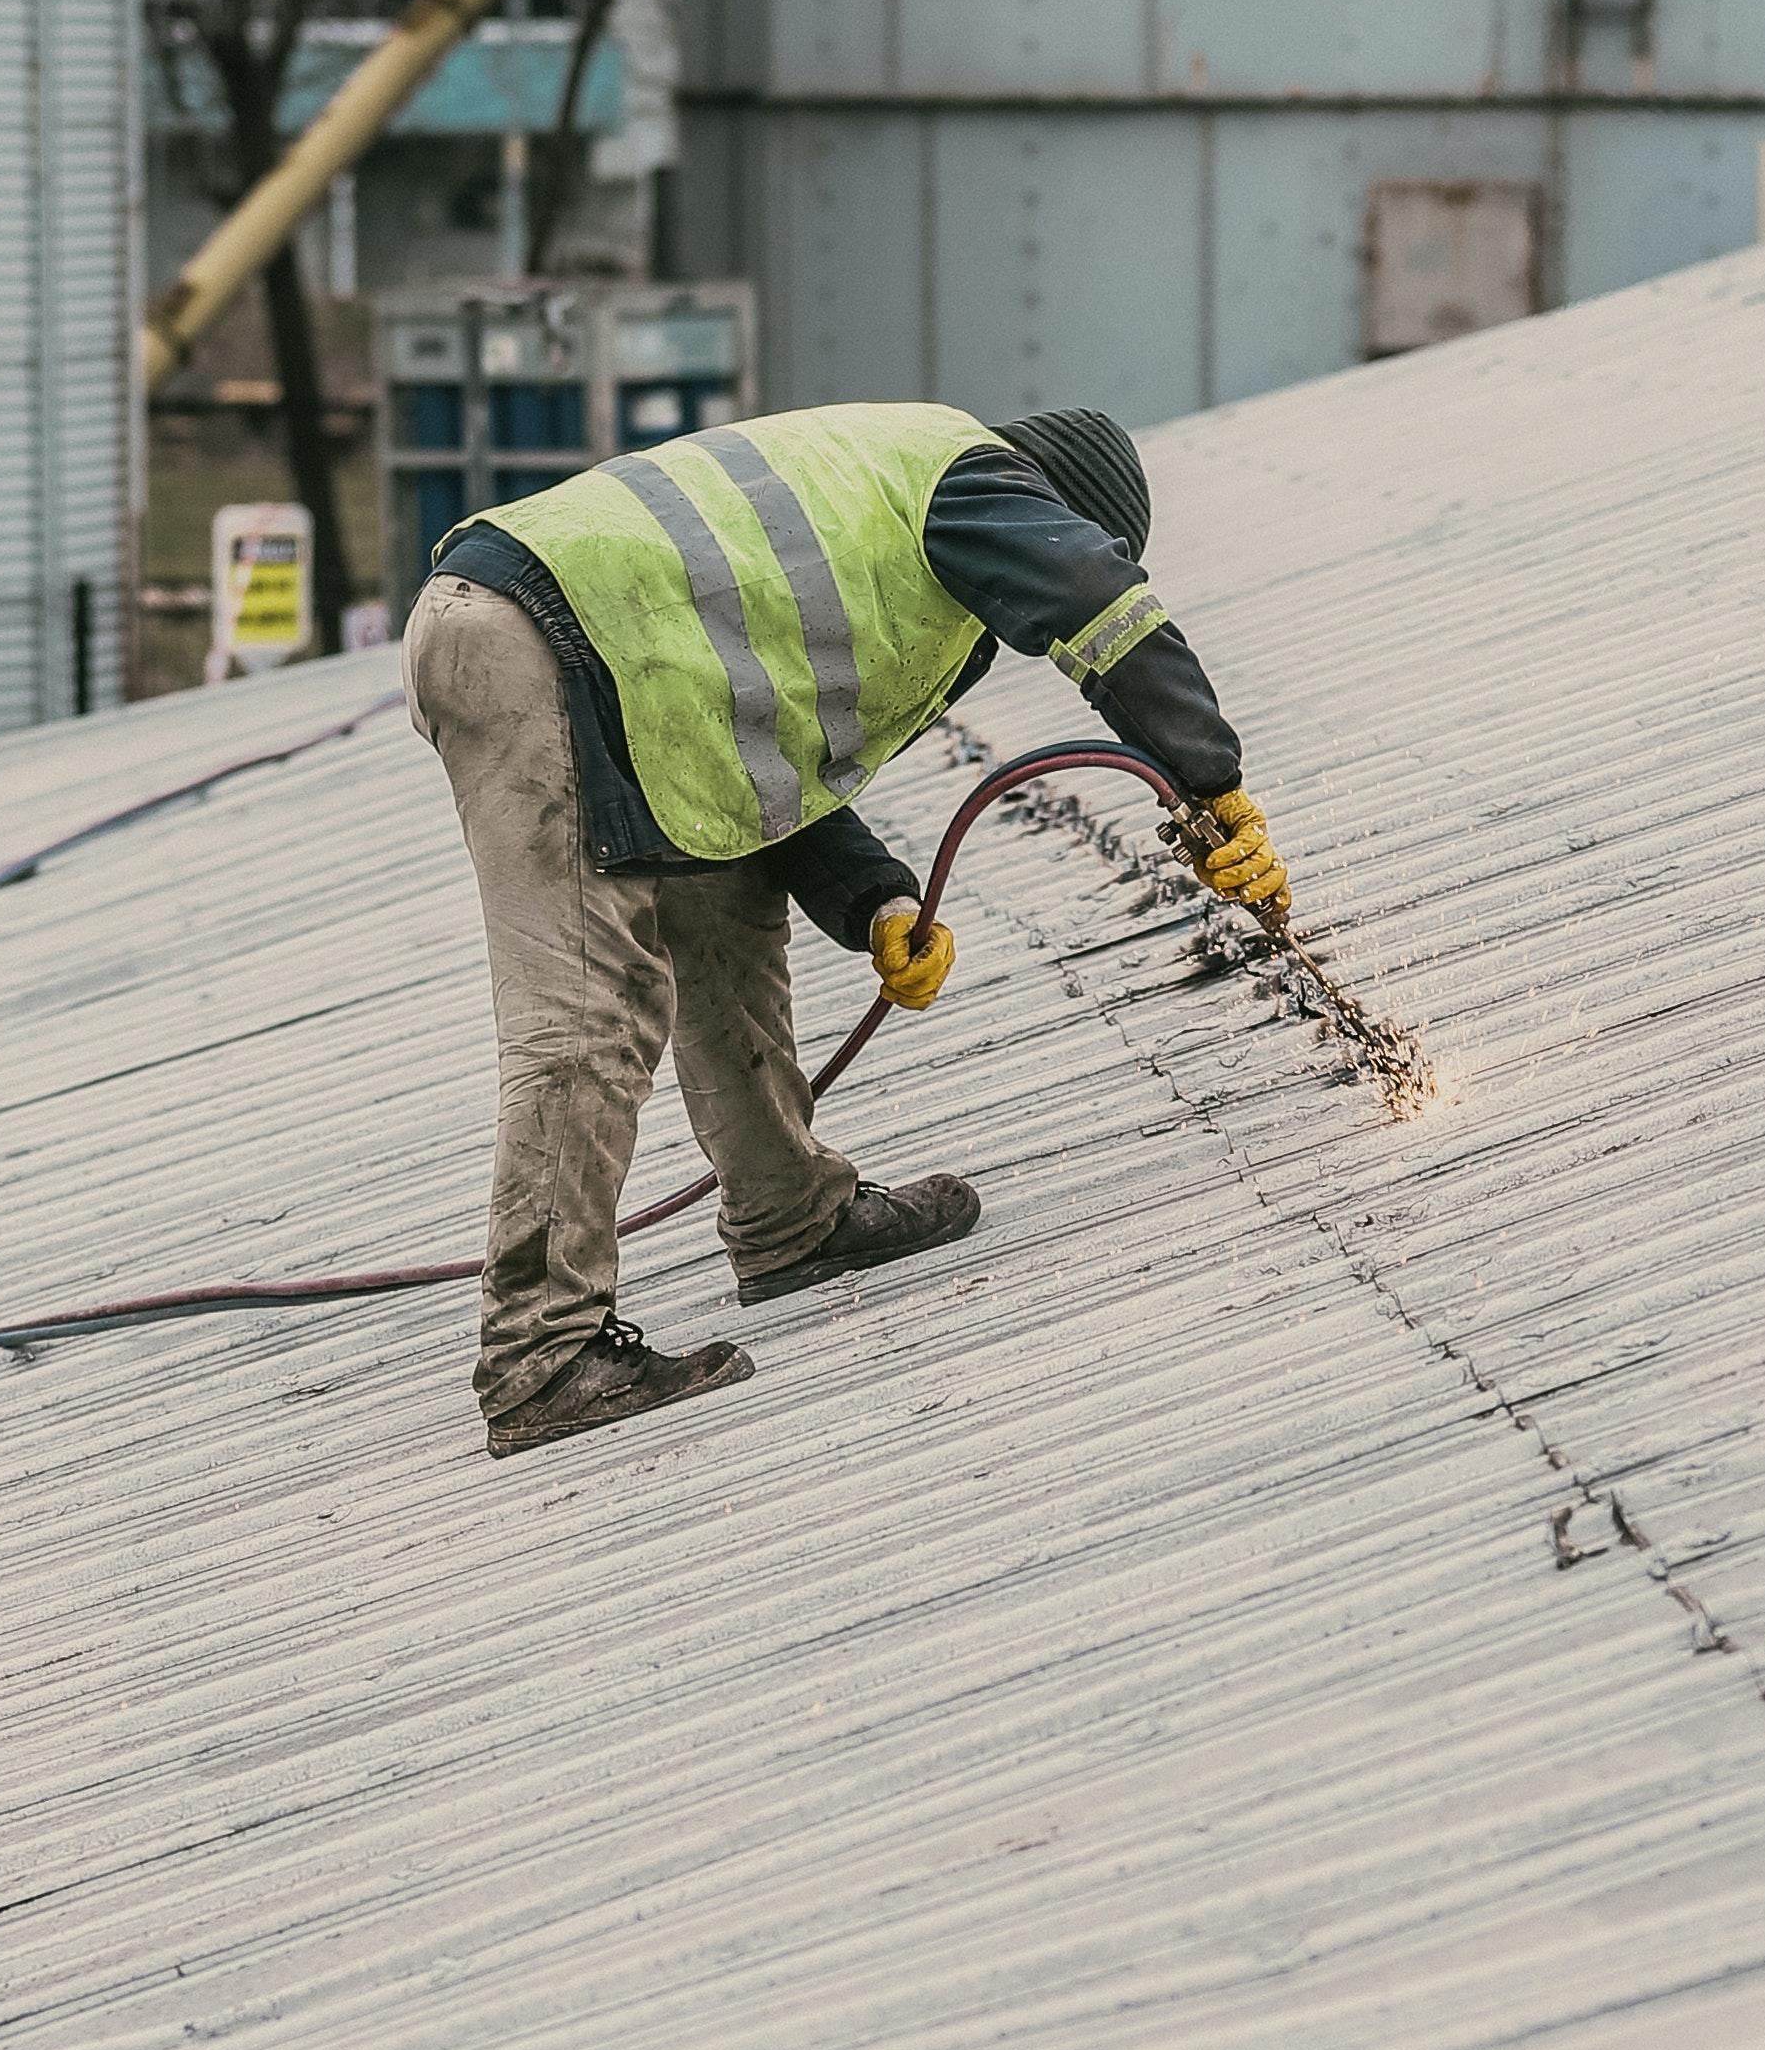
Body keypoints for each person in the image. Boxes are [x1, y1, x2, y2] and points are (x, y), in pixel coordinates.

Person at [404, 400, 1286, 1457]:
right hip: (527, 644)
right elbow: (1101, 604)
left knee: (723, 911)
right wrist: (1210, 781)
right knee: (592, 1007)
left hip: (618, 674)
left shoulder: (883, 511)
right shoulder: (969, 478)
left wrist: (877, 902)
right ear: (1057, 509)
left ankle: (790, 1219)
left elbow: (771, 773)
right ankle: (540, 1354)